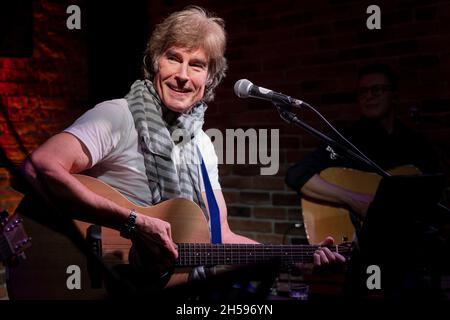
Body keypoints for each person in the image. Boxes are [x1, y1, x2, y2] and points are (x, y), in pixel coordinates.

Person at [19, 6, 343, 294]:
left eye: (197, 65)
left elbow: (220, 238)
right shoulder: (118, 116)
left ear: (210, 80)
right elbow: (36, 169)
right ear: (154, 62)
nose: (183, 76)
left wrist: (294, 259)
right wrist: (134, 222)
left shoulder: (202, 145)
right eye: (173, 58)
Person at [286, 63, 441, 219]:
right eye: (363, 92)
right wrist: (354, 200)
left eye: (377, 90)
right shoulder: (347, 139)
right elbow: (297, 174)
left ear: (394, 95)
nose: (369, 96)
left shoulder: (415, 143)